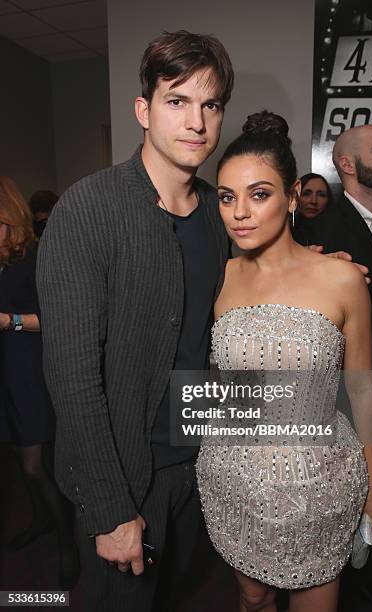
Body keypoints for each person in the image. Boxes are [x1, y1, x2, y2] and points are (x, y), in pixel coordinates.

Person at [36, 30, 233, 612]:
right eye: (178, 101)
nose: (196, 121)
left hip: (197, 470)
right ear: (143, 110)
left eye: (211, 104)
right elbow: (71, 376)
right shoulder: (88, 208)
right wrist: (109, 507)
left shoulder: (219, 219)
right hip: (124, 480)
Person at [196, 111, 372, 612]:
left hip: (321, 484)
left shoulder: (341, 279)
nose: (240, 212)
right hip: (234, 479)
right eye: (227, 196)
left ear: (293, 194)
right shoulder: (219, 279)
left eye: (259, 194)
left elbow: (363, 391)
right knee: (251, 597)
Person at [297, 124, 372, 608]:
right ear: (346, 164)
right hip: (349, 405)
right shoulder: (315, 237)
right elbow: (316, 339)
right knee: (347, 516)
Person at [0, 176, 78, 588]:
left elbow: (54, 319)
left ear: (10, 216)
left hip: (28, 369)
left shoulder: (34, 256)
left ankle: (68, 541)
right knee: (19, 458)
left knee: (35, 464)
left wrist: (7, 321)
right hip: (4, 374)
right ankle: (41, 521)